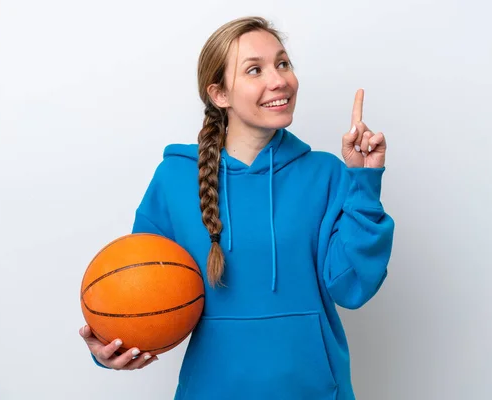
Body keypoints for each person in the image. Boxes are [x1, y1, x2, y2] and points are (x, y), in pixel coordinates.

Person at [79, 16, 394, 400]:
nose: (278, 80)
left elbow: (353, 286)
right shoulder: (175, 179)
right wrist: (109, 348)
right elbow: (135, 291)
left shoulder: (327, 173)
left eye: (282, 64)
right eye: (254, 70)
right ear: (219, 94)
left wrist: (363, 182)